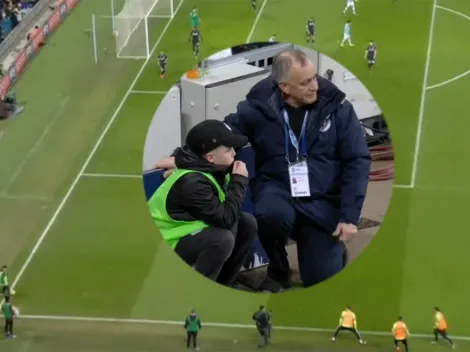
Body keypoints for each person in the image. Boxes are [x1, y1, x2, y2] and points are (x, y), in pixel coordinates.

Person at [154, 49, 370, 292]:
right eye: (305, 82)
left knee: (319, 278)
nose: (315, 86)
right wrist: (183, 159)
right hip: (277, 187)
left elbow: (358, 160)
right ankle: (278, 271)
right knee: (269, 215)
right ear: (284, 87)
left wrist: (350, 216)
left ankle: (327, 249)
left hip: (322, 197)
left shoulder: (338, 108)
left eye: (314, 77)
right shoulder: (259, 105)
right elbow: (221, 133)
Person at [148, 119, 257, 287]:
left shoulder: (210, 166)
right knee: (222, 239)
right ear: (210, 157)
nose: (234, 153)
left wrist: (176, 160)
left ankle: (223, 285)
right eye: (229, 150)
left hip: (190, 233)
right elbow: (226, 219)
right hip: (165, 244)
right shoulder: (193, 183)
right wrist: (239, 181)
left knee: (247, 223)